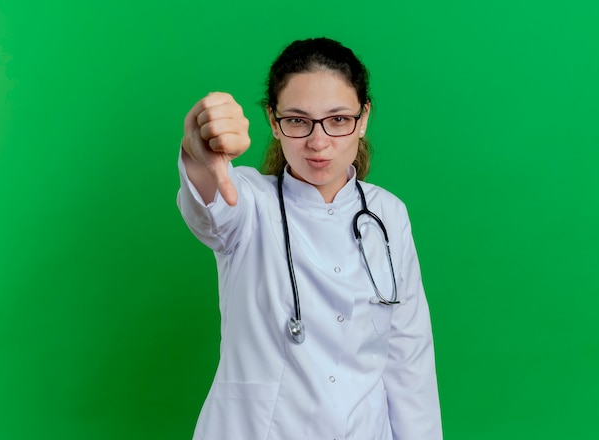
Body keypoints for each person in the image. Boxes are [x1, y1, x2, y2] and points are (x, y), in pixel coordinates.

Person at [177, 37, 443, 440]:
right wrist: (197, 153)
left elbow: (409, 360)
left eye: (338, 120)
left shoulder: (388, 214)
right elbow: (209, 207)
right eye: (298, 120)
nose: (318, 143)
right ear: (273, 119)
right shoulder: (250, 201)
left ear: (363, 117)